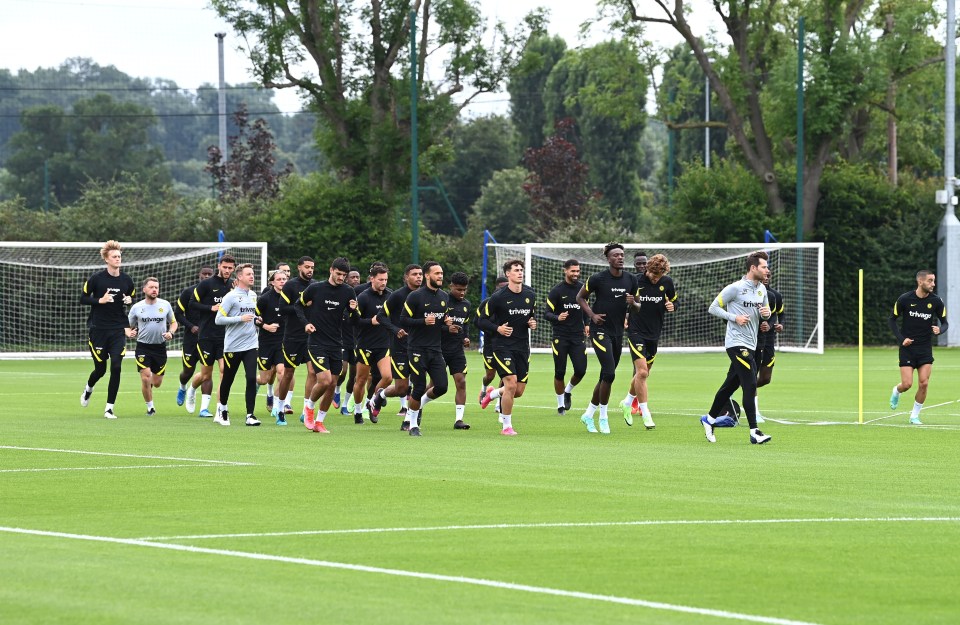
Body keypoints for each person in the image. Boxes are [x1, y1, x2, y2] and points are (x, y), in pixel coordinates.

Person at [700, 251, 773, 445]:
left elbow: (765, 316)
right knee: (749, 384)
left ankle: (709, 419)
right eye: (764, 266)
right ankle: (754, 431)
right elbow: (713, 308)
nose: (767, 269)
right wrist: (735, 318)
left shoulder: (762, 290)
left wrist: (766, 314)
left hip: (752, 344)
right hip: (736, 344)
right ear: (753, 268)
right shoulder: (735, 288)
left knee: (730, 385)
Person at [575, 243, 639, 435]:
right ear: (608, 259)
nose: (620, 257)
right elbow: (580, 298)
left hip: (618, 332)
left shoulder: (631, 280)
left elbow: (638, 306)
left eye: (622, 255)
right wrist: (592, 316)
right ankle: (603, 417)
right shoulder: (598, 279)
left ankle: (588, 414)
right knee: (610, 373)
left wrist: (633, 303)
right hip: (599, 330)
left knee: (605, 376)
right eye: (616, 255)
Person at [295, 257, 358, 433]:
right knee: (324, 380)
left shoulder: (348, 292)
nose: (341, 278)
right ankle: (308, 408)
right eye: (338, 274)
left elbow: (355, 320)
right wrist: (305, 323)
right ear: (331, 270)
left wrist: (353, 311)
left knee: (332, 384)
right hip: (316, 342)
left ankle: (320, 422)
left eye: (344, 275)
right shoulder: (315, 288)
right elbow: (297, 306)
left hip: (337, 343)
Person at [478, 259, 537, 436]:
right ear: (508, 274)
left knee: (518, 391)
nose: (520, 273)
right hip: (501, 346)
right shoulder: (498, 297)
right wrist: (498, 329)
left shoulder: (530, 295)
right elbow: (481, 321)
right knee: (510, 384)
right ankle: (507, 427)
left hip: (522, 347)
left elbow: (530, 317)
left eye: (521, 270)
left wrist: (531, 323)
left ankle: (493, 393)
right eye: (516, 270)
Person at [80, 240, 136, 419]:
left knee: (117, 367)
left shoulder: (127, 280)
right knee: (101, 370)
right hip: (98, 330)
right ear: (106, 259)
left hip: (117, 330)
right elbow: (83, 298)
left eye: (119, 256)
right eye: (114, 256)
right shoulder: (96, 279)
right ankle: (88, 388)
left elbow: (130, 297)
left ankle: (109, 408)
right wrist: (100, 301)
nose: (118, 258)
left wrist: (129, 301)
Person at [620, 253, 677, 429]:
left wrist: (672, 306)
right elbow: (624, 303)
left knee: (643, 374)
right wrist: (625, 316)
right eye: (653, 275)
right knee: (642, 372)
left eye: (658, 276)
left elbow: (675, 301)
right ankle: (646, 413)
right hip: (636, 331)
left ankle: (627, 402)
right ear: (647, 269)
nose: (655, 279)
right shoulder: (635, 281)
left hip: (654, 334)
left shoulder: (666, 283)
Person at [399, 261, 453, 436]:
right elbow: (403, 320)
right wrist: (423, 321)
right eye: (437, 273)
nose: (440, 276)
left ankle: (418, 404)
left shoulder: (444, 297)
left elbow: (439, 323)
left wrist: (448, 326)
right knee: (419, 386)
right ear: (427, 276)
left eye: (441, 273)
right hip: (416, 349)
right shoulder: (415, 296)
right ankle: (413, 424)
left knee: (442, 386)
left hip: (435, 350)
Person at [889, 270, 948, 425]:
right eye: (930, 281)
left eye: (934, 281)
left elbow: (945, 322)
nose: (933, 284)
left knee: (924, 383)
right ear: (920, 282)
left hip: (925, 348)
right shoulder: (904, 299)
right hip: (908, 349)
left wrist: (940, 330)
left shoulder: (936, 301)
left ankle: (914, 416)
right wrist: (902, 339)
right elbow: (892, 320)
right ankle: (897, 391)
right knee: (907, 384)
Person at [184, 254, 235, 417]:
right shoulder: (206, 284)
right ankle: (191, 389)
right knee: (206, 374)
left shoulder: (233, 286)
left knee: (224, 371)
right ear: (219, 266)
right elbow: (192, 304)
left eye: (230, 268)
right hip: (206, 335)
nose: (227, 270)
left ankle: (220, 409)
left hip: (225, 336)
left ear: (233, 269)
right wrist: (211, 308)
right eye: (225, 267)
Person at [372, 264, 423, 418]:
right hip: (400, 347)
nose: (419, 277)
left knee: (419, 385)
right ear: (406, 277)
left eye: (420, 274)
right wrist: (395, 330)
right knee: (401, 389)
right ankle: (380, 395)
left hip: (420, 347)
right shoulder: (397, 296)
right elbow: (381, 316)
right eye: (414, 274)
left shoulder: (426, 295)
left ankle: (411, 419)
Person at [214, 263, 262, 426]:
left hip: (251, 344)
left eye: (253, 274)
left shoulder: (254, 296)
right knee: (228, 378)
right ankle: (223, 409)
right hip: (233, 346)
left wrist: (257, 320)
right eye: (248, 274)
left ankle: (250, 415)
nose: (252, 276)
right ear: (239, 276)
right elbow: (218, 319)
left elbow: (252, 317)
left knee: (251, 378)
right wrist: (239, 319)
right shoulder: (231, 297)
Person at [272, 256, 316, 423]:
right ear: (299, 268)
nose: (310, 270)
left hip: (311, 337)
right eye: (307, 267)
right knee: (288, 374)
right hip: (292, 336)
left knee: (313, 372)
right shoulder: (290, 286)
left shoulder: (315, 286)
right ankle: (281, 407)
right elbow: (283, 308)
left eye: (312, 267)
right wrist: (304, 305)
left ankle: (306, 410)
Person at [128, 277, 177, 415]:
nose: (154, 289)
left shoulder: (165, 305)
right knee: (145, 377)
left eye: (156, 287)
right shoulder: (137, 307)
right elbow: (128, 326)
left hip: (160, 347)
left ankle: (148, 387)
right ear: (144, 289)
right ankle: (150, 407)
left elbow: (173, 323)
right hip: (143, 346)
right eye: (151, 287)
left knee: (156, 383)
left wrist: (171, 332)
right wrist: (129, 332)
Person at [544, 259, 587, 415]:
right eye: (572, 271)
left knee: (581, 370)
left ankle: (568, 391)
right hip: (560, 336)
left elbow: (585, 309)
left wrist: (587, 324)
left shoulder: (583, 289)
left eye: (577, 271)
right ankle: (561, 405)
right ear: (565, 271)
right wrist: (557, 318)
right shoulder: (557, 291)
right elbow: (546, 313)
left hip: (577, 337)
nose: (575, 274)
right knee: (560, 372)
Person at [352, 264, 393, 424]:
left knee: (387, 377)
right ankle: (357, 411)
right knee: (361, 380)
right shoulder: (363, 297)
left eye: (386, 279)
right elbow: (354, 321)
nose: (383, 282)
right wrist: (371, 321)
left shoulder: (390, 296)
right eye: (380, 279)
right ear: (372, 279)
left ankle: (372, 402)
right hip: (365, 345)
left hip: (384, 343)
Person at [175, 267, 215, 407]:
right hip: (191, 339)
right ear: (199, 275)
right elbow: (178, 314)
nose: (207, 276)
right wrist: (191, 326)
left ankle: (204, 408)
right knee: (188, 371)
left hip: (209, 338)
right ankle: (183, 387)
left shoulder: (217, 293)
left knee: (207, 373)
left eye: (210, 274)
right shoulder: (188, 292)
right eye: (204, 274)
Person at [441, 271, 473, 430]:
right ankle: (416, 407)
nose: (462, 293)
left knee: (461, 381)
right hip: (438, 349)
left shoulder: (466, 305)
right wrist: (447, 329)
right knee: (436, 386)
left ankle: (459, 420)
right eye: (458, 289)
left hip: (456, 351)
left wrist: (465, 338)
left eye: (464, 290)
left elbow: (465, 325)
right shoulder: (442, 301)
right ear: (451, 286)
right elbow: (431, 326)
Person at [256, 269, 287, 424]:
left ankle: (276, 407)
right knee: (265, 378)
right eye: (279, 279)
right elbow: (255, 319)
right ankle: (256, 383)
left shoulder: (289, 298)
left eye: (284, 278)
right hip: (266, 343)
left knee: (281, 373)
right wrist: (266, 326)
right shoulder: (265, 299)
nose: (282, 281)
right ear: (272, 282)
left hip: (282, 343)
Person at [755, 270, 784, 423]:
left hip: (769, 340)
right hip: (753, 339)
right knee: (752, 374)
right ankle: (755, 412)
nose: (766, 278)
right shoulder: (750, 294)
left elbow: (779, 314)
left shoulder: (774, 296)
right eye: (764, 275)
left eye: (768, 276)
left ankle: (744, 388)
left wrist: (778, 325)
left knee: (765, 379)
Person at [477, 275, 509, 412]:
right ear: (496, 288)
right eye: (501, 287)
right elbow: (477, 322)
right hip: (490, 344)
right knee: (490, 375)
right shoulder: (486, 303)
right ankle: (484, 389)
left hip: (506, 345)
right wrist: (495, 329)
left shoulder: (511, 302)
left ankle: (499, 404)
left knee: (505, 375)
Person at [335, 268, 362, 413]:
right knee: (342, 371)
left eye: (357, 277)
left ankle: (345, 404)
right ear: (347, 279)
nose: (356, 280)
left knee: (354, 375)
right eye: (352, 277)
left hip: (356, 342)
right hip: (341, 341)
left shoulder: (360, 299)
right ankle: (337, 389)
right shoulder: (342, 298)